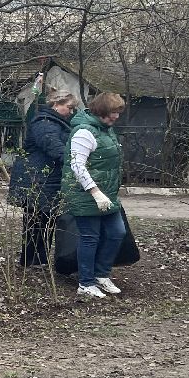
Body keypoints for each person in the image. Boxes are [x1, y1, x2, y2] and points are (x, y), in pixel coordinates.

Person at [60, 91, 128, 300]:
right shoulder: (84, 132)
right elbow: (77, 166)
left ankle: (101, 274)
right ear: (101, 111)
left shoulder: (106, 130)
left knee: (117, 232)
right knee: (90, 238)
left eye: (118, 113)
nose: (115, 118)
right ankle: (86, 283)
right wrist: (95, 192)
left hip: (106, 195)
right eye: (112, 113)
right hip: (85, 194)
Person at [7, 87, 78, 268]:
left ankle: (38, 260)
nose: (71, 112)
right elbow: (54, 148)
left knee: (45, 221)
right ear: (56, 104)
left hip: (46, 178)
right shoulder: (45, 123)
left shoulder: (54, 122)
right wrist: (76, 163)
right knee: (36, 222)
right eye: (69, 107)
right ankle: (30, 261)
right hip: (37, 179)